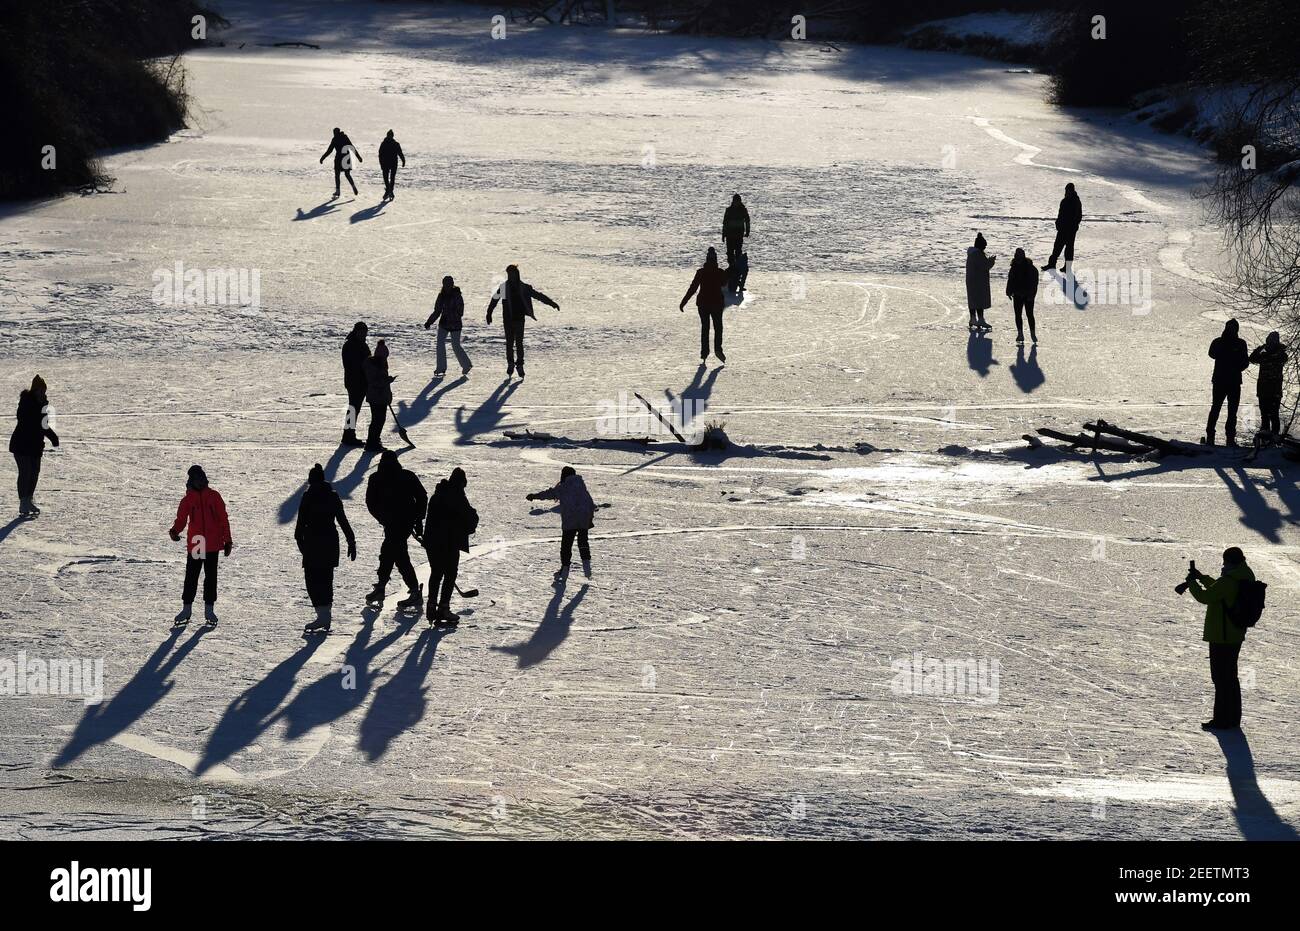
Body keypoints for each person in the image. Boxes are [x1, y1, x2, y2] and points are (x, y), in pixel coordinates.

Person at [1184, 547, 1254, 731]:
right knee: (1230, 677)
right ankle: (1233, 719)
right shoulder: (1244, 574)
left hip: (1222, 636)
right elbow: (1219, 590)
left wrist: (1192, 583)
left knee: (1221, 678)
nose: (1223, 565)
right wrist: (1202, 577)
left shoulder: (1230, 580)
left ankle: (1222, 720)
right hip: (1234, 635)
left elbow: (1206, 596)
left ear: (1230, 562)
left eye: (1225, 561)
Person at [168, 465, 232, 627]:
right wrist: (175, 531)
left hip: (212, 543)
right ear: (192, 480)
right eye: (198, 479)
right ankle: (187, 608)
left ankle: (209, 609)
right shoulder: (188, 499)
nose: (201, 482)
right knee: (192, 576)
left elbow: (223, 519)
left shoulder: (214, 496)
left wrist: (228, 540)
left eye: (202, 478)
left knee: (211, 577)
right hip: (197, 541)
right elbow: (181, 519)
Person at [296, 463, 357, 635]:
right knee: (326, 578)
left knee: (312, 581)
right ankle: (326, 615)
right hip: (330, 541)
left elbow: (298, 529)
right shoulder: (333, 496)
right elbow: (343, 521)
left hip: (313, 543)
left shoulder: (307, 497)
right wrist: (351, 541)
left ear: (310, 480)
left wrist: (303, 549)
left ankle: (322, 615)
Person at [364, 450, 426, 610]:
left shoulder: (378, 478)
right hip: (400, 523)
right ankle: (385, 588)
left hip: (399, 523)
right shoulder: (406, 476)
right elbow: (422, 497)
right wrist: (417, 519)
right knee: (393, 554)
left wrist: (382, 518)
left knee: (394, 554)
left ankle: (409, 591)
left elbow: (371, 503)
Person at [421, 467, 478, 626]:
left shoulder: (437, 495)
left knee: (436, 573)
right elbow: (469, 519)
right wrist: (474, 516)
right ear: (461, 483)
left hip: (432, 543)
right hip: (449, 543)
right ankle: (443, 608)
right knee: (450, 574)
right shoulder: (458, 497)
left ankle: (432, 605)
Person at [485, 264, 560, 379]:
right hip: (508, 320)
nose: (510, 276)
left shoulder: (524, 287)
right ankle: (510, 363)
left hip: (519, 320)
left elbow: (538, 296)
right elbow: (495, 299)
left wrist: (552, 303)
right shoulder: (504, 287)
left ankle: (519, 364)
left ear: (517, 274)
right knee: (509, 343)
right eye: (509, 274)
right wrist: (489, 313)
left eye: (512, 274)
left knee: (519, 343)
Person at [527, 466, 596, 581]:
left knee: (566, 545)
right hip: (583, 518)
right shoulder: (582, 487)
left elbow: (550, 493)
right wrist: (589, 518)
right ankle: (587, 567)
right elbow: (590, 503)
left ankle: (564, 569)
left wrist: (535, 496)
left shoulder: (563, 487)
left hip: (570, 519)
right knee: (583, 542)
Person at [9, 374, 59, 518]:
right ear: (35, 390)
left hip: (35, 446)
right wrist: (39, 408)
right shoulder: (26, 401)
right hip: (22, 444)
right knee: (25, 472)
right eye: (40, 391)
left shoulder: (43, 405)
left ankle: (28, 499)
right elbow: (24, 419)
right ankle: (23, 502)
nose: (43, 393)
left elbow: (43, 426)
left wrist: (53, 437)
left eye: (44, 391)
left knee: (34, 473)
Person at [680, 246, 729, 362]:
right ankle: (718, 349)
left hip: (703, 304)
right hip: (716, 303)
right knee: (718, 327)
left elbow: (693, 288)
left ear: (707, 260)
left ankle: (704, 352)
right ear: (715, 260)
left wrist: (684, 302)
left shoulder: (701, 272)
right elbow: (724, 284)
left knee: (705, 327)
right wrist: (726, 274)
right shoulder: (719, 272)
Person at [1205, 319, 1250, 447]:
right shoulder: (1219, 342)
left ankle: (1229, 438)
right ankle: (1211, 436)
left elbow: (1245, 362)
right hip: (1221, 380)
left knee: (1231, 411)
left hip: (1233, 381)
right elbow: (1211, 353)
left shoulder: (1240, 343)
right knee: (1217, 408)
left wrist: (1235, 365)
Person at [424, 275, 472, 377]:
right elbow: (437, 311)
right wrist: (429, 322)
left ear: (452, 284)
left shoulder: (457, 295)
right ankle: (441, 368)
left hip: (455, 324)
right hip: (444, 324)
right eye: (445, 284)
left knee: (456, 345)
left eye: (449, 284)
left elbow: (461, 311)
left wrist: (452, 316)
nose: (447, 286)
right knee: (440, 344)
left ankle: (466, 364)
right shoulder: (441, 296)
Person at [1248, 331, 1287, 438]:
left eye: (1272, 341)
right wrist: (1261, 348)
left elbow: (1284, 358)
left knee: (1274, 415)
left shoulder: (1280, 354)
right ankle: (1265, 436)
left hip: (1274, 390)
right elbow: (1251, 358)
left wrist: (1267, 350)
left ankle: (1274, 437)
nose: (1270, 343)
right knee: (1264, 415)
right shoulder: (1263, 354)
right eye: (1269, 341)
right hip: (1263, 389)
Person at [363, 339, 396, 452]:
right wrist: (387, 381)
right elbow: (374, 382)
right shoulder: (372, 365)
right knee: (377, 421)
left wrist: (388, 396)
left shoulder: (382, 364)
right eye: (384, 357)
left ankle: (375, 440)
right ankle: (371, 442)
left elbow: (382, 381)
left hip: (381, 398)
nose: (385, 359)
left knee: (380, 420)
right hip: (375, 397)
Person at [1041, 183, 1082, 271]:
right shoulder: (1064, 201)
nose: (1067, 192)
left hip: (1070, 230)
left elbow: (1078, 216)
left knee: (1069, 249)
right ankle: (1052, 264)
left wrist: (1073, 225)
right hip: (1062, 228)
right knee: (1057, 247)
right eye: (1066, 190)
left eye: (1068, 190)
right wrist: (1058, 223)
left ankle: (1067, 268)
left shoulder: (1076, 201)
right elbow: (1060, 214)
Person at [341, 321, 370, 446]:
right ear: (356, 331)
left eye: (365, 332)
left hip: (361, 381)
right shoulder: (351, 345)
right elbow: (353, 364)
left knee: (354, 409)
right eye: (362, 332)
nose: (364, 335)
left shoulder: (361, 344)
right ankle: (348, 435)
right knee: (353, 409)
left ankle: (349, 434)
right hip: (354, 382)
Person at [1005, 248, 1039, 344]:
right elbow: (1010, 280)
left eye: (1019, 256)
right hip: (1017, 295)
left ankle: (1032, 333)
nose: (1018, 258)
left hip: (1028, 295)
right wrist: (1008, 291)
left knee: (1029, 315)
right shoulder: (1013, 267)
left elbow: (1034, 283)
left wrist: (1032, 295)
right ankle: (1020, 334)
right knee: (1018, 315)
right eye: (1017, 256)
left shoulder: (1031, 268)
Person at [965, 233, 996, 331]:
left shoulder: (972, 253)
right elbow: (985, 266)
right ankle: (980, 319)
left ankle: (973, 318)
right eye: (984, 245)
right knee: (979, 300)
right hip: (978, 281)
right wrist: (991, 261)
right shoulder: (978, 254)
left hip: (972, 280)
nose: (985, 247)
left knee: (973, 300)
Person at [319, 127, 361, 198]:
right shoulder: (345, 137)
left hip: (339, 158)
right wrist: (359, 157)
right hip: (346, 158)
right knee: (347, 174)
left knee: (337, 174)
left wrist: (322, 158)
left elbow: (330, 150)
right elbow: (351, 147)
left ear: (335, 132)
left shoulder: (335, 139)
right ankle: (353, 186)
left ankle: (338, 191)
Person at [377, 130, 406, 201]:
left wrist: (403, 160)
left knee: (388, 178)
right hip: (391, 163)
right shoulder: (394, 143)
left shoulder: (384, 143)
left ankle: (388, 190)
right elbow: (400, 153)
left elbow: (380, 155)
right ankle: (389, 190)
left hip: (387, 163)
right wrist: (403, 161)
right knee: (391, 178)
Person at [722, 194, 750, 265]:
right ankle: (731, 266)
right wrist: (723, 234)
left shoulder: (743, 210)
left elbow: (747, 221)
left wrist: (747, 231)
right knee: (730, 252)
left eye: (738, 201)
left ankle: (737, 266)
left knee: (738, 251)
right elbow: (725, 223)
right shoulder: (729, 210)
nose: (736, 203)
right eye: (735, 201)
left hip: (739, 234)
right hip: (730, 234)